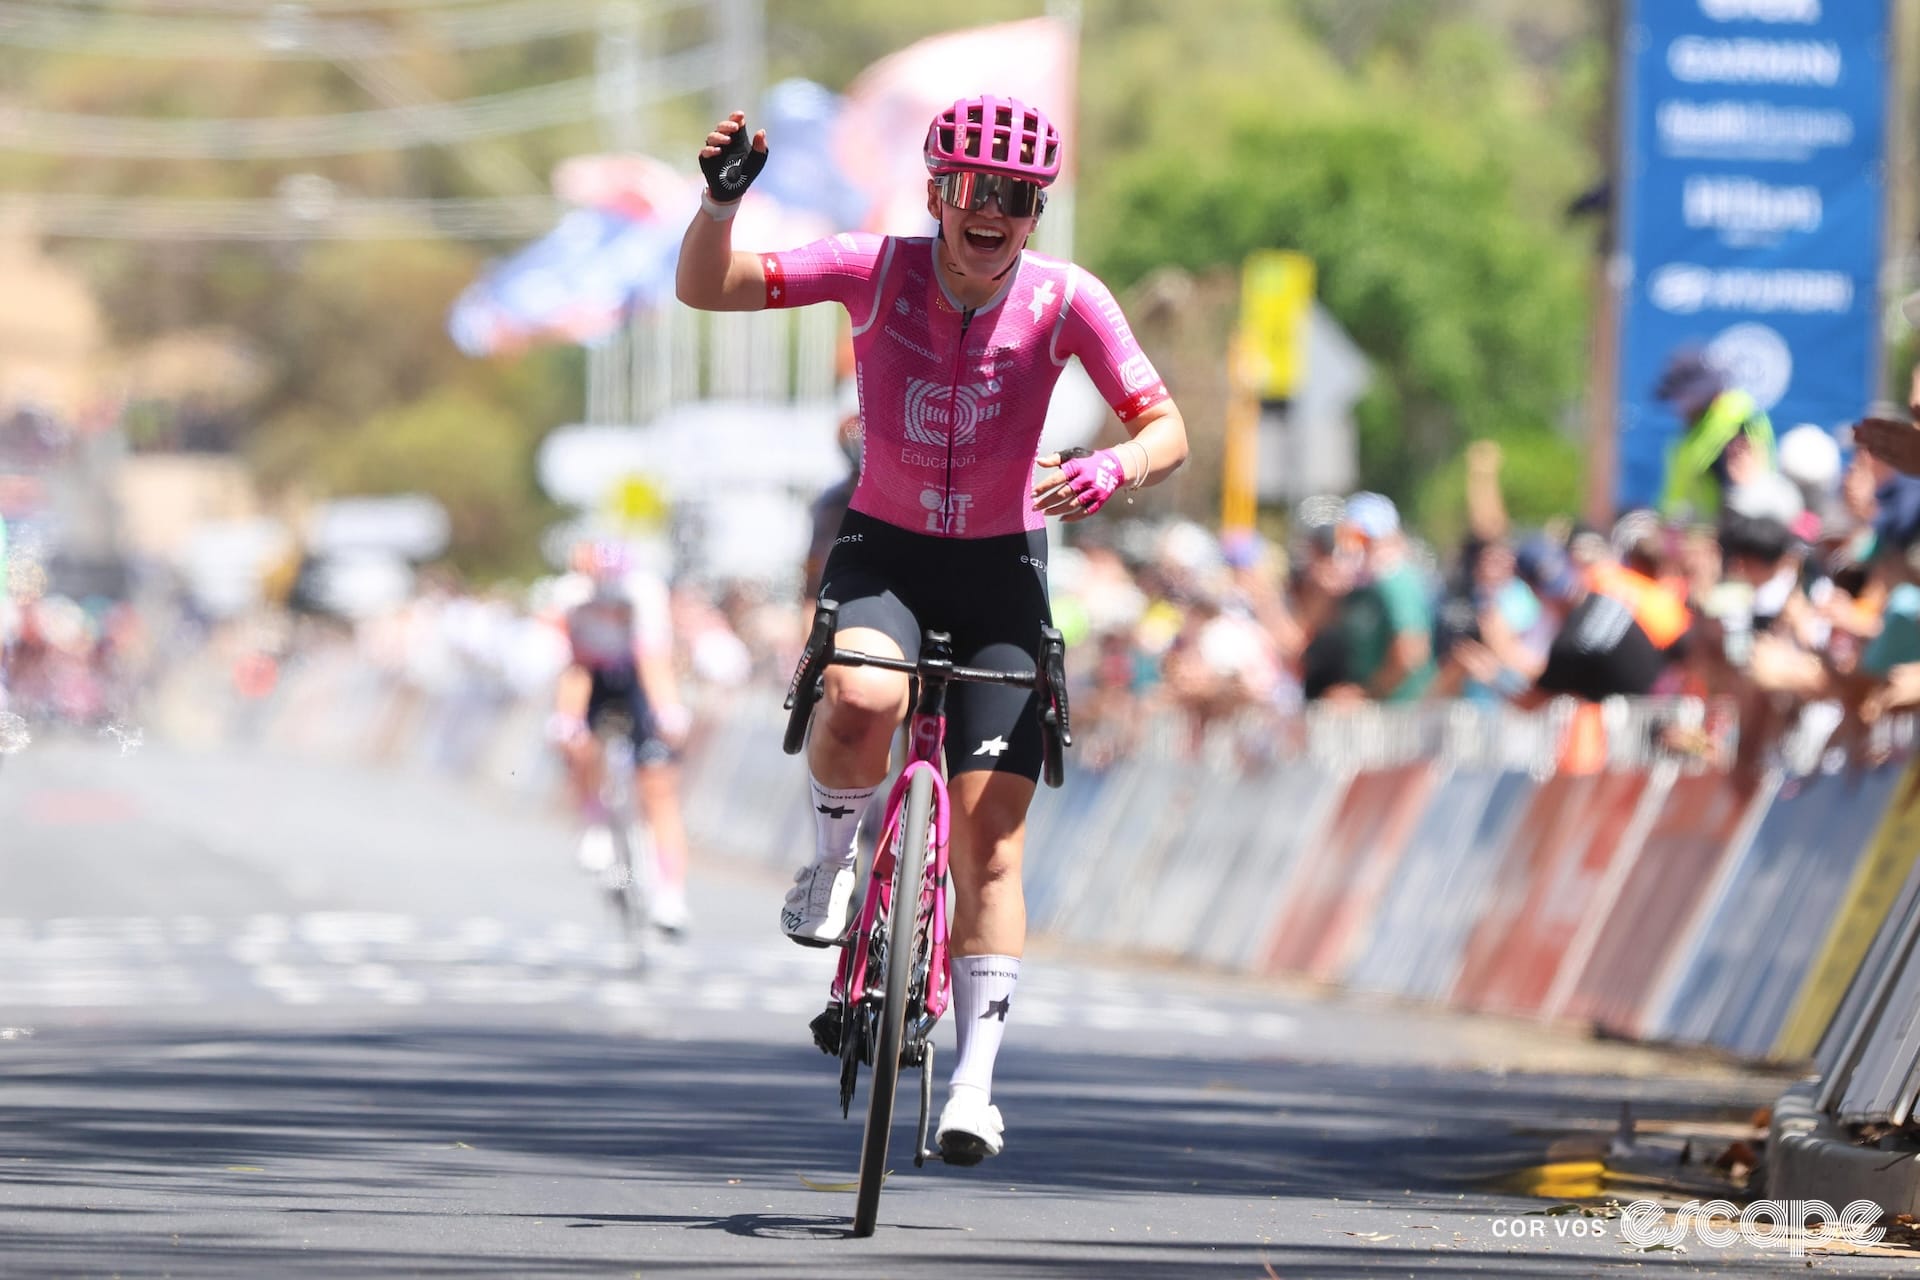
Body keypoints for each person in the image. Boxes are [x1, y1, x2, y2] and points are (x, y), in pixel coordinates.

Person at [675, 95, 1189, 1163]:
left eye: (1018, 197)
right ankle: (829, 862)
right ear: (938, 192)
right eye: (975, 189)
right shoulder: (877, 269)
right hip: (889, 548)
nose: (993, 211)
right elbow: (708, 286)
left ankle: (976, 1087)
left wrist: (1114, 467)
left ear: (1037, 209)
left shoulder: (1065, 298)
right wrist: (720, 207)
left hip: (1002, 567)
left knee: (992, 844)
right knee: (861, 693)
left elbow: (1163, 423)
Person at [547, 538, 693, 934]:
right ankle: (593, 820)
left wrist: (669, 711)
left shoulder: (645, 594)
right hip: (593, 675)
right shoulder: (571, 596)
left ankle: (670, 894)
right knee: (577, 744)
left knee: (660, 787)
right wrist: (567, 719)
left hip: (637, 678)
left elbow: (653, 660)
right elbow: (575, 666)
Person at [1654, 348, 1776, 523]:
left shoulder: (1736, 421)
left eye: (1681, 395)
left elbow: (1742, 490)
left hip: (1736, 532)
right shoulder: (1694, 428)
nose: (1676, 405)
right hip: (1699, 534)